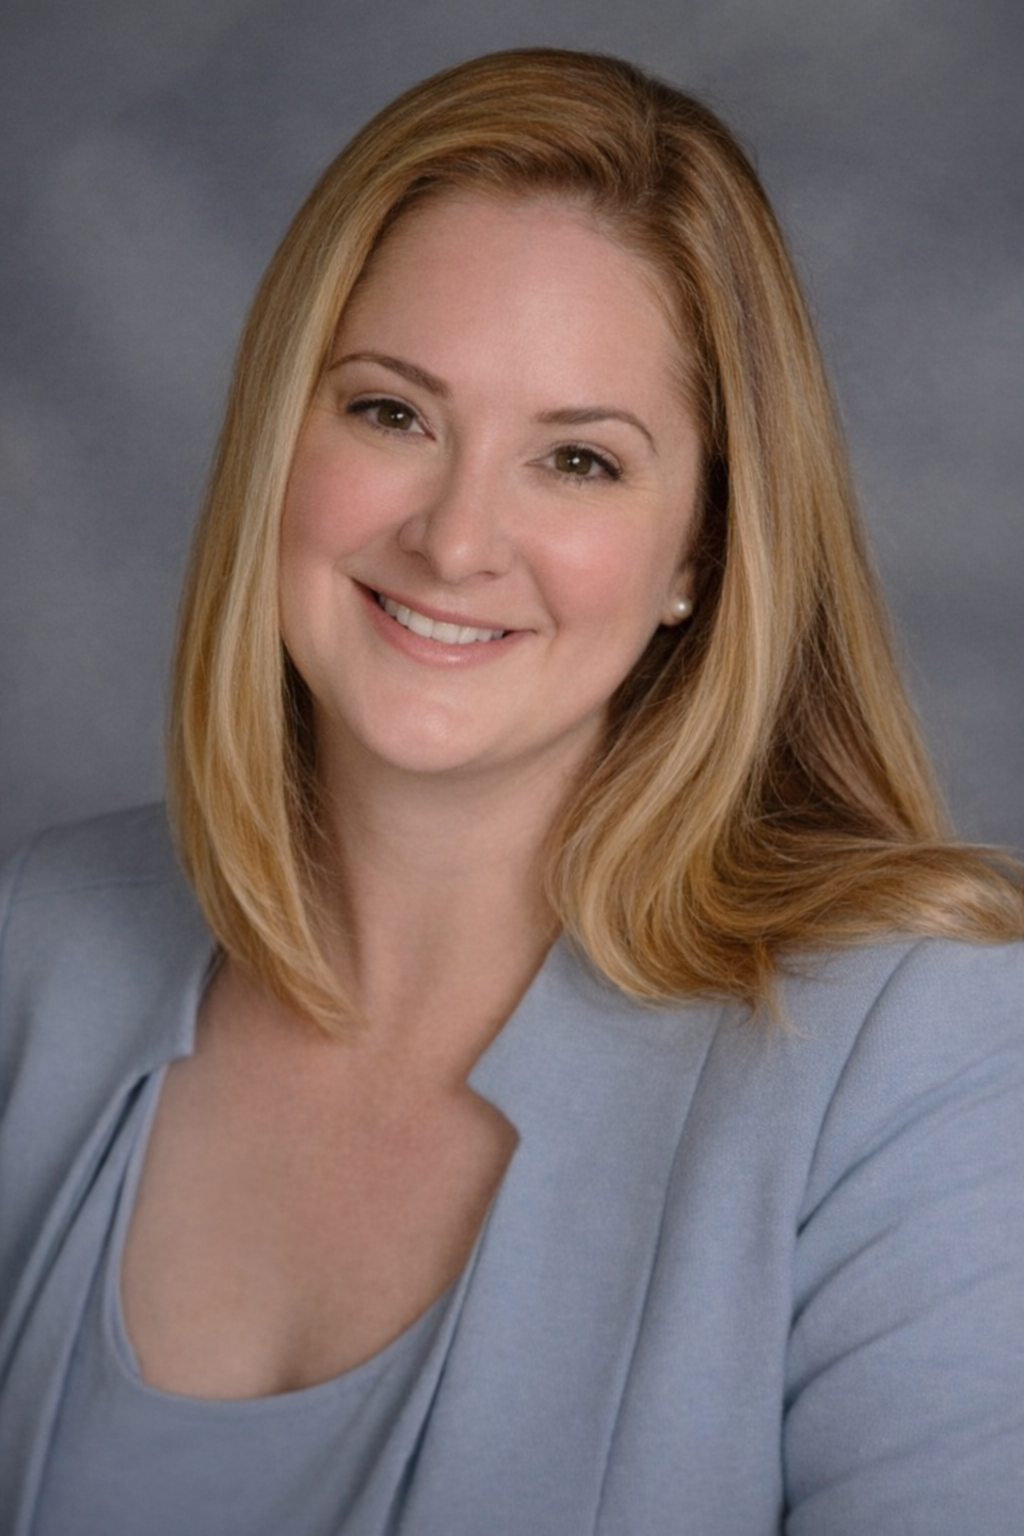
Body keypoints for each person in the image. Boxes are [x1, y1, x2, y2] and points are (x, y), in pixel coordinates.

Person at [1, 46, 1022, 1536]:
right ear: (279, 437)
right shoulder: (32, 946)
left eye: (580, 461)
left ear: (701, 556)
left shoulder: (920, 1047)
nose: (459, 539)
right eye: (392, 414)